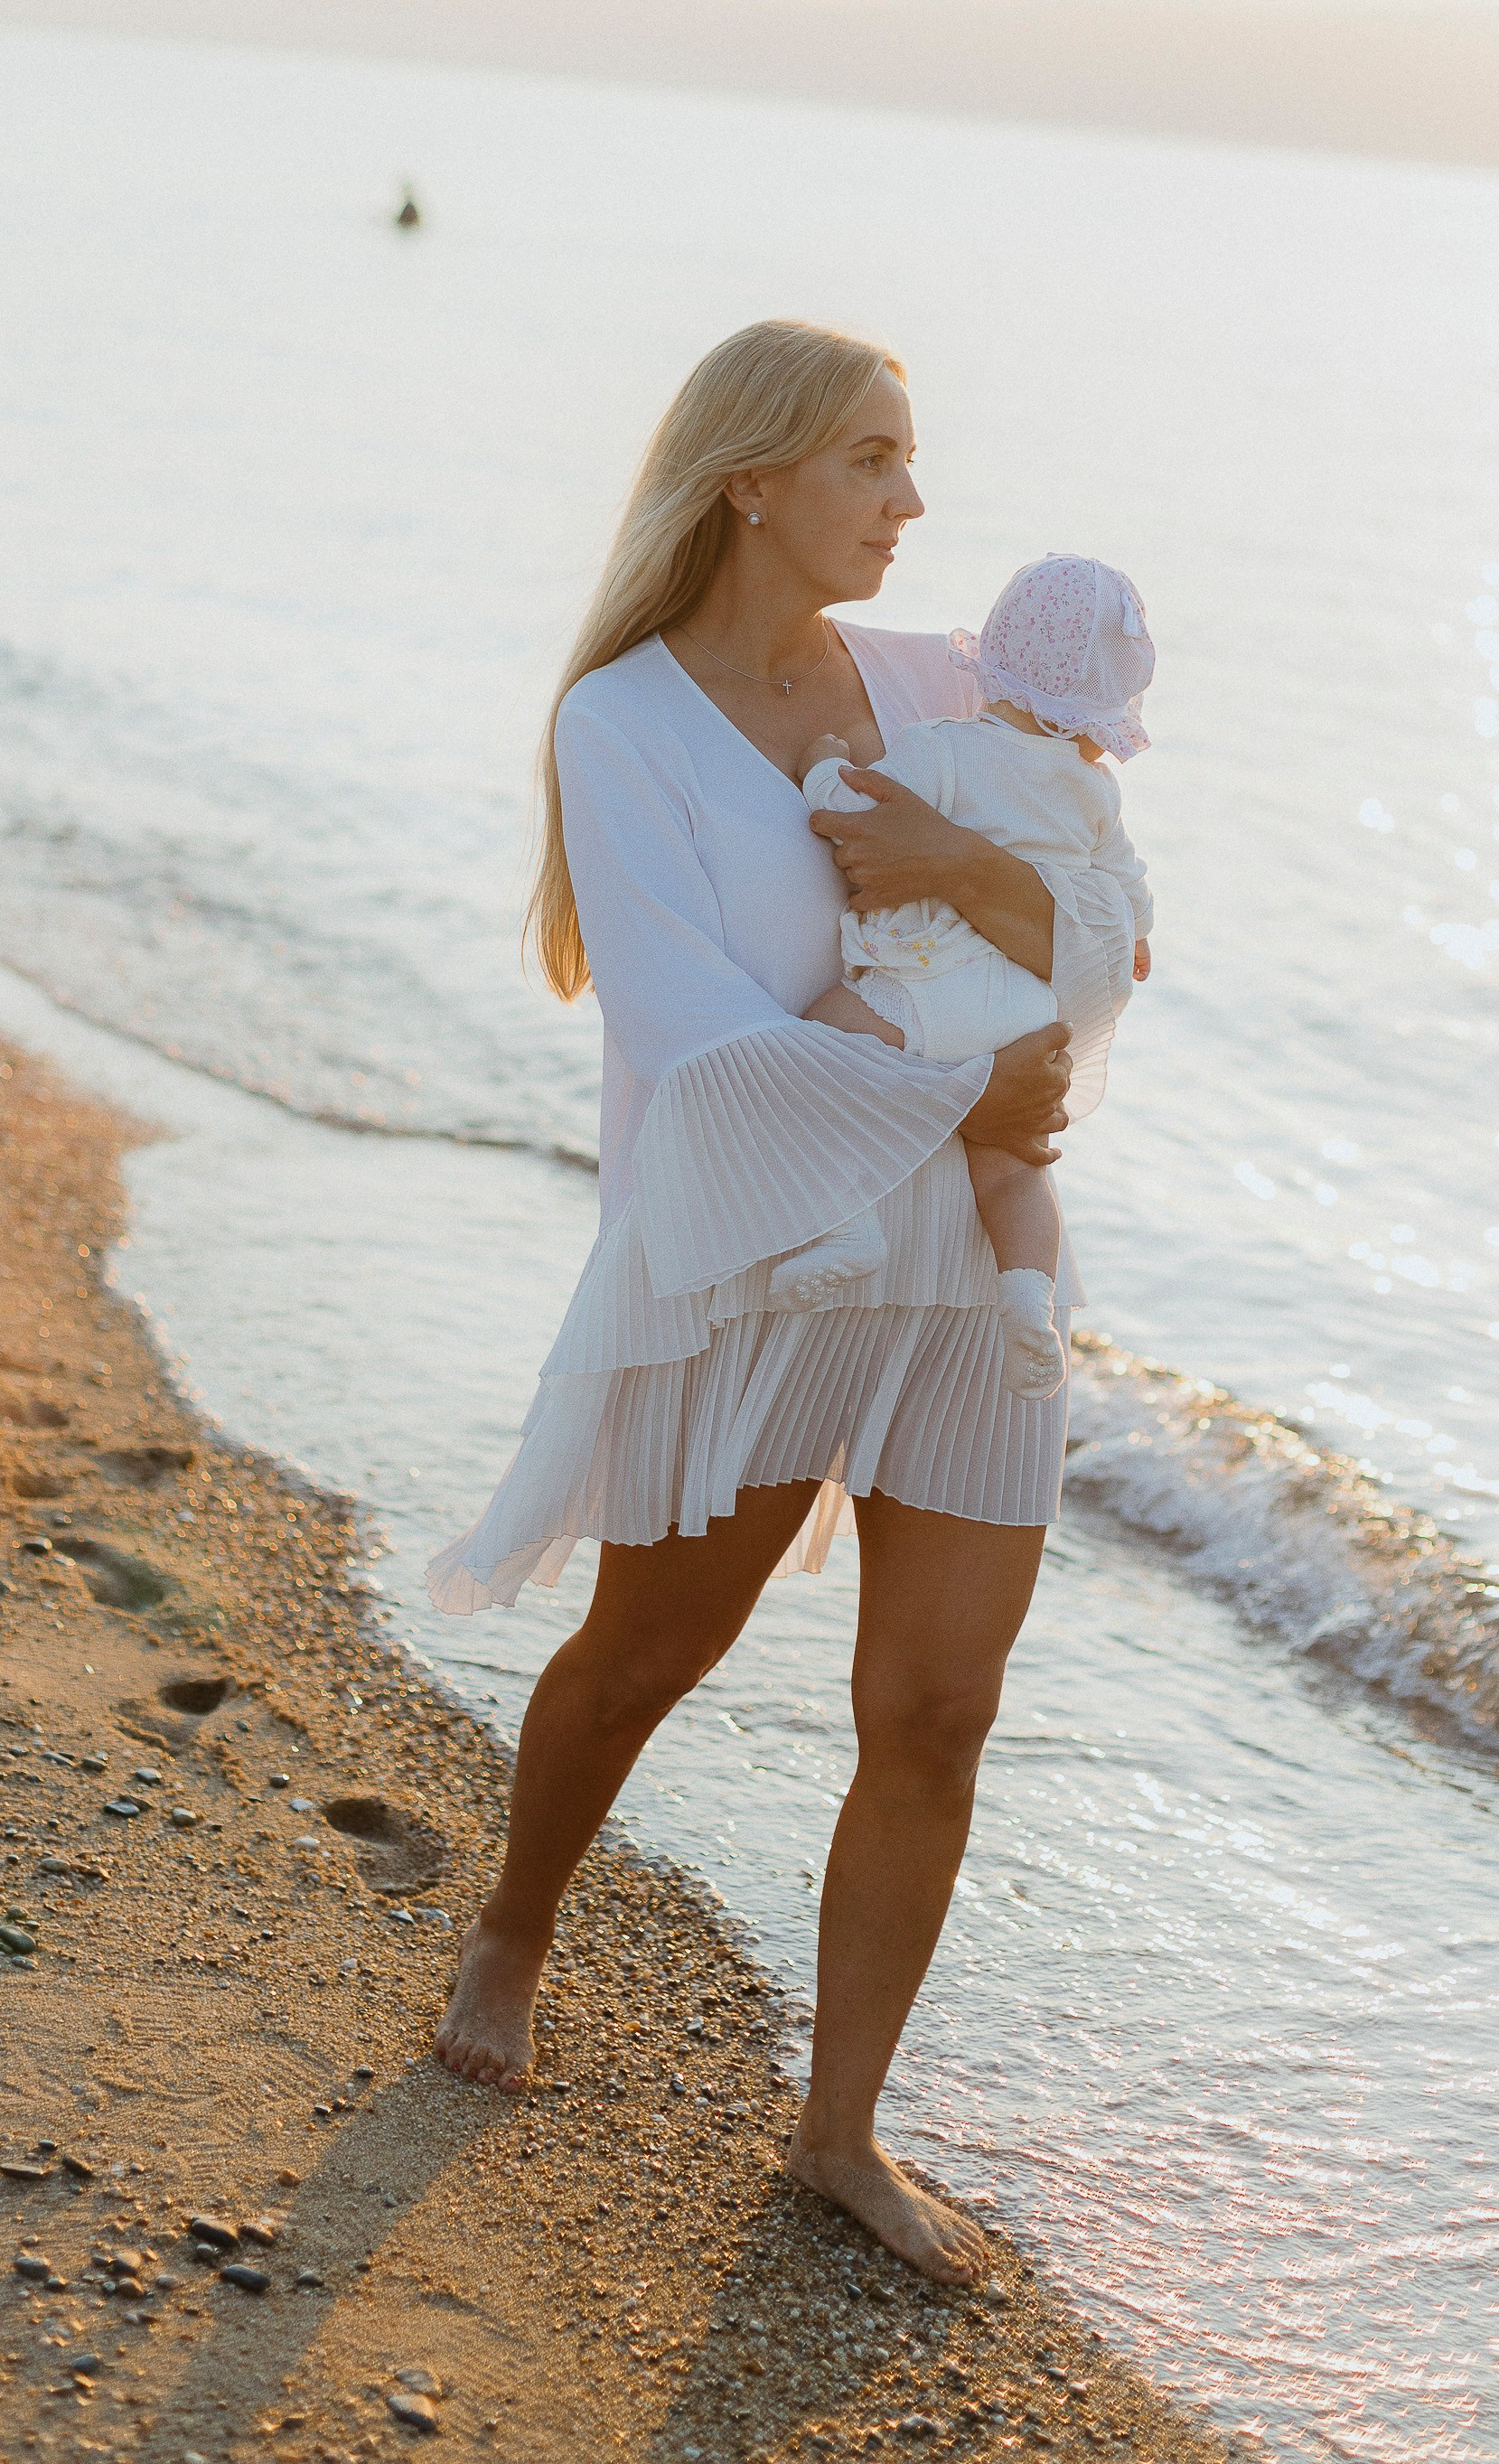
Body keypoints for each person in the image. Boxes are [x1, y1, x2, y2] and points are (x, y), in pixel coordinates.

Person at [425, 320, 1138, 2284]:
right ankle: (515, 1919)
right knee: (650, 1646)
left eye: (909, 466)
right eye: (872, 464)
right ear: (752, 479)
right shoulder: (620, 727)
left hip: (967, 1272)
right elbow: (694, 1039)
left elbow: (1103, 935)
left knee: (937, 1704)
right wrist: (953, 1086)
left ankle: (836, 2132)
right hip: (753, 1256)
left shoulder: (938, 689)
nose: (913, 505)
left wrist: (959, 879)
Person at [773, 554, 1155, 1398]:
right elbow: (1125, 887)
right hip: (1024, 1007)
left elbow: (859, 813)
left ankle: (847, 1223)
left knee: (823, 1043)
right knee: (1016, 1165)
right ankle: (1028, 1292)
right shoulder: (1095, 793)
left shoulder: (946, 751)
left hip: (926, 984)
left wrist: (822, 763)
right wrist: (1139, 938)